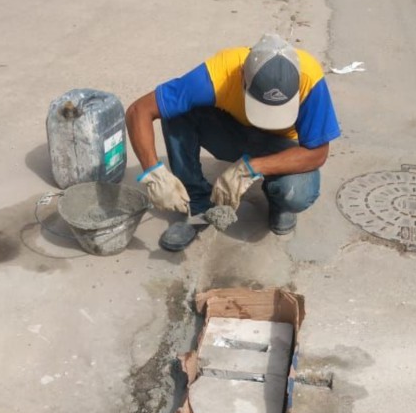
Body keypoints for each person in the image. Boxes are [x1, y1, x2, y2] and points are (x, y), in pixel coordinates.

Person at [126, 32, 341, 251]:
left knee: (297, 193)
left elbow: (317, 153)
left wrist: (250, 168)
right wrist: (154, 172)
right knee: (176, 110)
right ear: (242, 77)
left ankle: (278, 203)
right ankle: (197, 202)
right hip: (232, 133)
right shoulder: (221, 71)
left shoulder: (310, 79)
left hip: (280, 146)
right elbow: (139, 110)